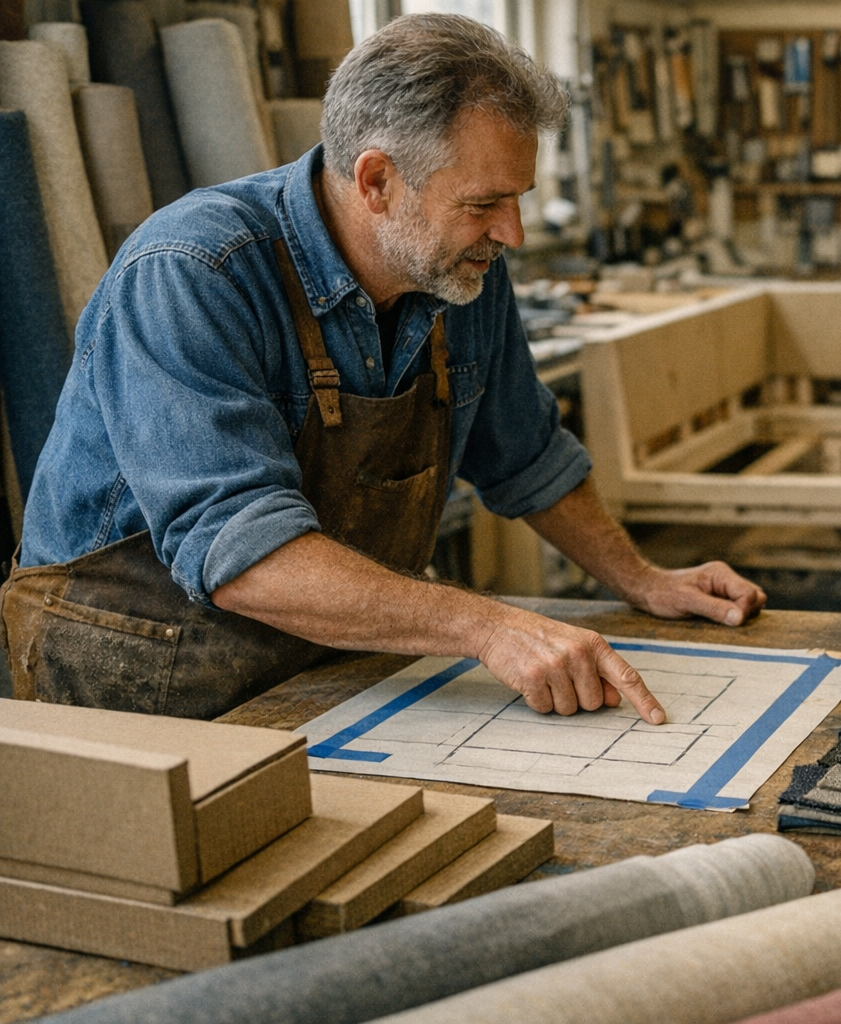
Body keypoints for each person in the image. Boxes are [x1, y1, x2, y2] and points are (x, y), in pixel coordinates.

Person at [1, 14, 764, 722]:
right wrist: (485, 624)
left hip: (321, 666)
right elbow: (240, 553)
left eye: (519, 198)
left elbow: (527, 457)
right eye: (484, 203)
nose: (514, 232)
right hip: (142, 680)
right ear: (375, 182)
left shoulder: (463, 271)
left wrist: (643, 580)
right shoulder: (195, 272)